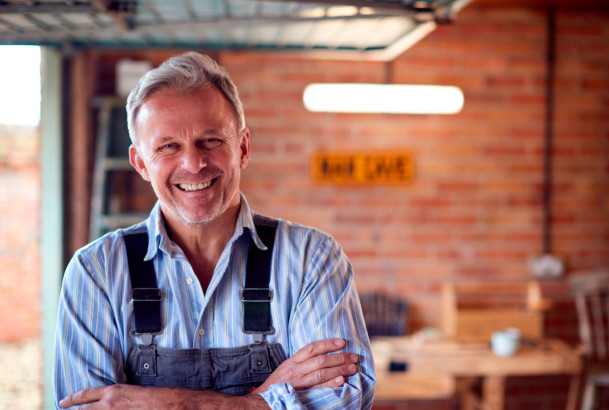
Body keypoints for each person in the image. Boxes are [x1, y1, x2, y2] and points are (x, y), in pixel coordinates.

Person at [53, 51, 376, 409]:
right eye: (168, 146)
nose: (193, 163)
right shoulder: (95, 271)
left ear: (243, 147)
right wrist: (265, 399)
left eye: (211, 140)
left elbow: (344, 398)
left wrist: (170, 404)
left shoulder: (311, 259)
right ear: (141, 163)